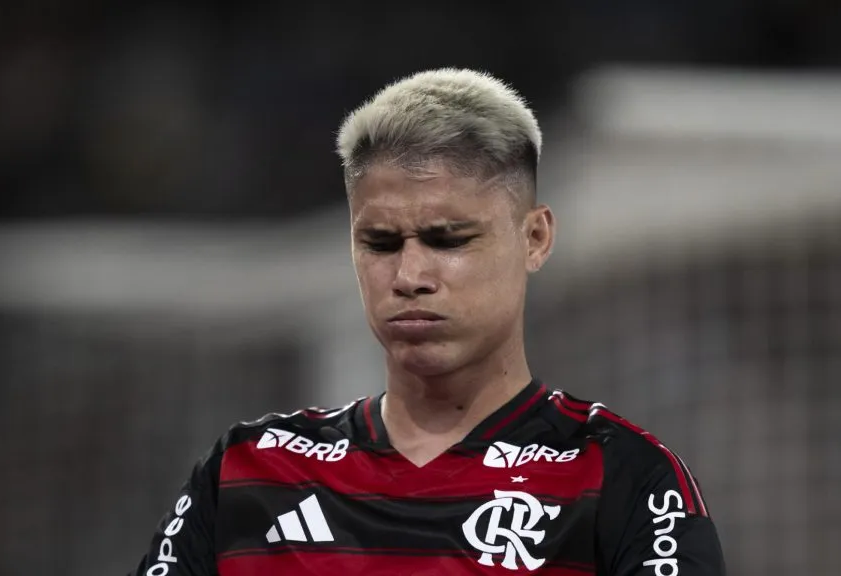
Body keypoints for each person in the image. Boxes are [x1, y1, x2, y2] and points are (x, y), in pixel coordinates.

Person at [129, 68, 726, 576]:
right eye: (381, 243)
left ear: (535, 238)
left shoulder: (622, 480)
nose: (410, 274)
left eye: (447, 239)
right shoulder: (245, 471)